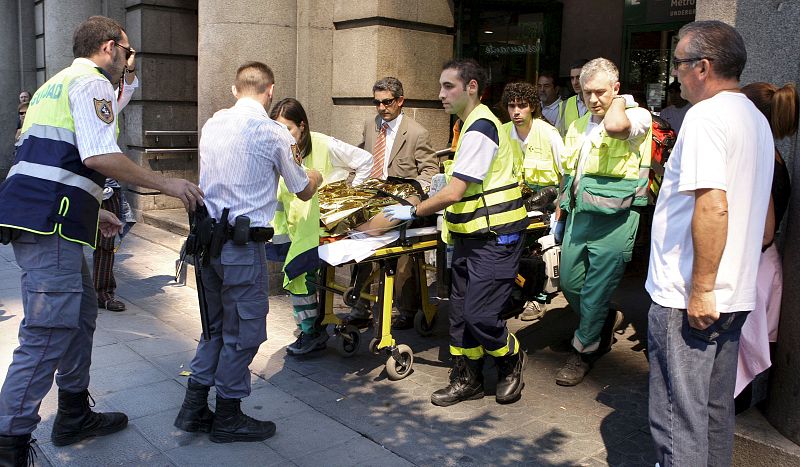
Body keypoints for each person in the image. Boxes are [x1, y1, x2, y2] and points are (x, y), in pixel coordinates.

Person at [0, 16, 203, 465]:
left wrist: (96, 212)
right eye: (129, 54)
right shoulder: (91, 81)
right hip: (49, 223)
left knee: (81, 313)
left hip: (48, 218)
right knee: (47, 331)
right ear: (110, 47)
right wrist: (163, 184)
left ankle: (73, 413)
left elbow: (59, 158)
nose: (129, 63)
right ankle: (8, 441)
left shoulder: (55, 83)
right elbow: (98, 155)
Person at [646, 21, 774, 466]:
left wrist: (700, 289)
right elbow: (755, 217)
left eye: (679, 64)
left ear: (703, 67)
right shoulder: (756, 119)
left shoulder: (705, 116)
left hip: (689, 296)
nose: (674, 74)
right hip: (734, 292)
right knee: (715, 412)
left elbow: (714, 205)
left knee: (679, 418)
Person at [173, 62, 322, 443]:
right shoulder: (273, 133)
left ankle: (193, 408)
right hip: (242, 248)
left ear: (235, 89)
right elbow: (302, 188)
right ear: (270, 91)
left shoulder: (213, 124)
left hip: (207, 245)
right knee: (246, 332)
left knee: (215, 330)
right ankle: (228, 415)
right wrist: (315, 176)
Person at [384, 59, 529, 406]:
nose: (441, 95)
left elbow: (455, 192)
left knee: (480, 315)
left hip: (495, 238)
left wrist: (414, 211)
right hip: (469, 237)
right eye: (441, 86)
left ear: (472, 87)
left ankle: (510, 360)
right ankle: (469, 377)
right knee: (462, 316)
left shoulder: (480, 127)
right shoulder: (467, 127)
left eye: (449, 86)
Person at [555, 58, 652, 386]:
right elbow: (573, 171)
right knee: (568, 281)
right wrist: (561, 207)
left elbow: (616, 128)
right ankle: (600, 322)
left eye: (600, 92)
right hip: (580, 214)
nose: (593, 100)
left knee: (595, 291)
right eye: (586, 93)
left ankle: (584, 350)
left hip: (617, 218)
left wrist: (621, 104)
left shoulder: (636, 116)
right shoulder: (581, 124)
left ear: (616, 88)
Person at [268, 97, 372, 355]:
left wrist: (346, 202)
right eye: (277, 130)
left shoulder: (324, 144)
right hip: (296, 230)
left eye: (288, 129)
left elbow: (365, 161)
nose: (283, 135)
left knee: (300, 279)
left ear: (302, 126)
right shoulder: (280, 151)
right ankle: (311, 329)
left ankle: (311, 332)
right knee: (300, 280)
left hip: (321, 230)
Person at [347, 76, 438, 330]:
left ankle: (407, 309)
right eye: (376, 103)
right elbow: (362, 156)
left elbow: (430, 170)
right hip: (371, 195)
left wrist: (413, 199)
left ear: (400, 101)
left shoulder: (417, 132)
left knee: (400, 258)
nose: (381, 108)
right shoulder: (371, 124)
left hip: (402, 200)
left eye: (386, 102)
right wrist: (351, 183)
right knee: (359, 244)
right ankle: (360, 305)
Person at [734, 82, 796, 402]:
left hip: (755, 267)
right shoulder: (773, 155)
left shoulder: (762, 159)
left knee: (738, 360)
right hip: (763, 266)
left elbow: (765, 232)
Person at [501, 81, 564, 321]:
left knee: (540, 252)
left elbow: (564, 174)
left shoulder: (548, 133)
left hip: (547, 202)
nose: (516, 111)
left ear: (533, 107)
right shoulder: (504, 132)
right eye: (511, 106)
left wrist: (560, 208)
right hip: (517, 201)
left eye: (522, 106)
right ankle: (516, 293)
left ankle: (537, 300)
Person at [94, 46, 139, 313]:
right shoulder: (74, 93)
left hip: (106, 182)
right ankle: (77, 290)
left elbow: (129, 88)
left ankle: (103, 292)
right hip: (78, 180)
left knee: (107, 240)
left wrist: (129, 66)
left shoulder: (109, 99)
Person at [558, 59, 590, 136]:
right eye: (572, 78)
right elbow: (559, 135)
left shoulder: (599, 103)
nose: (575, 82)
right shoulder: (564, 105)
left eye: (578, 77)